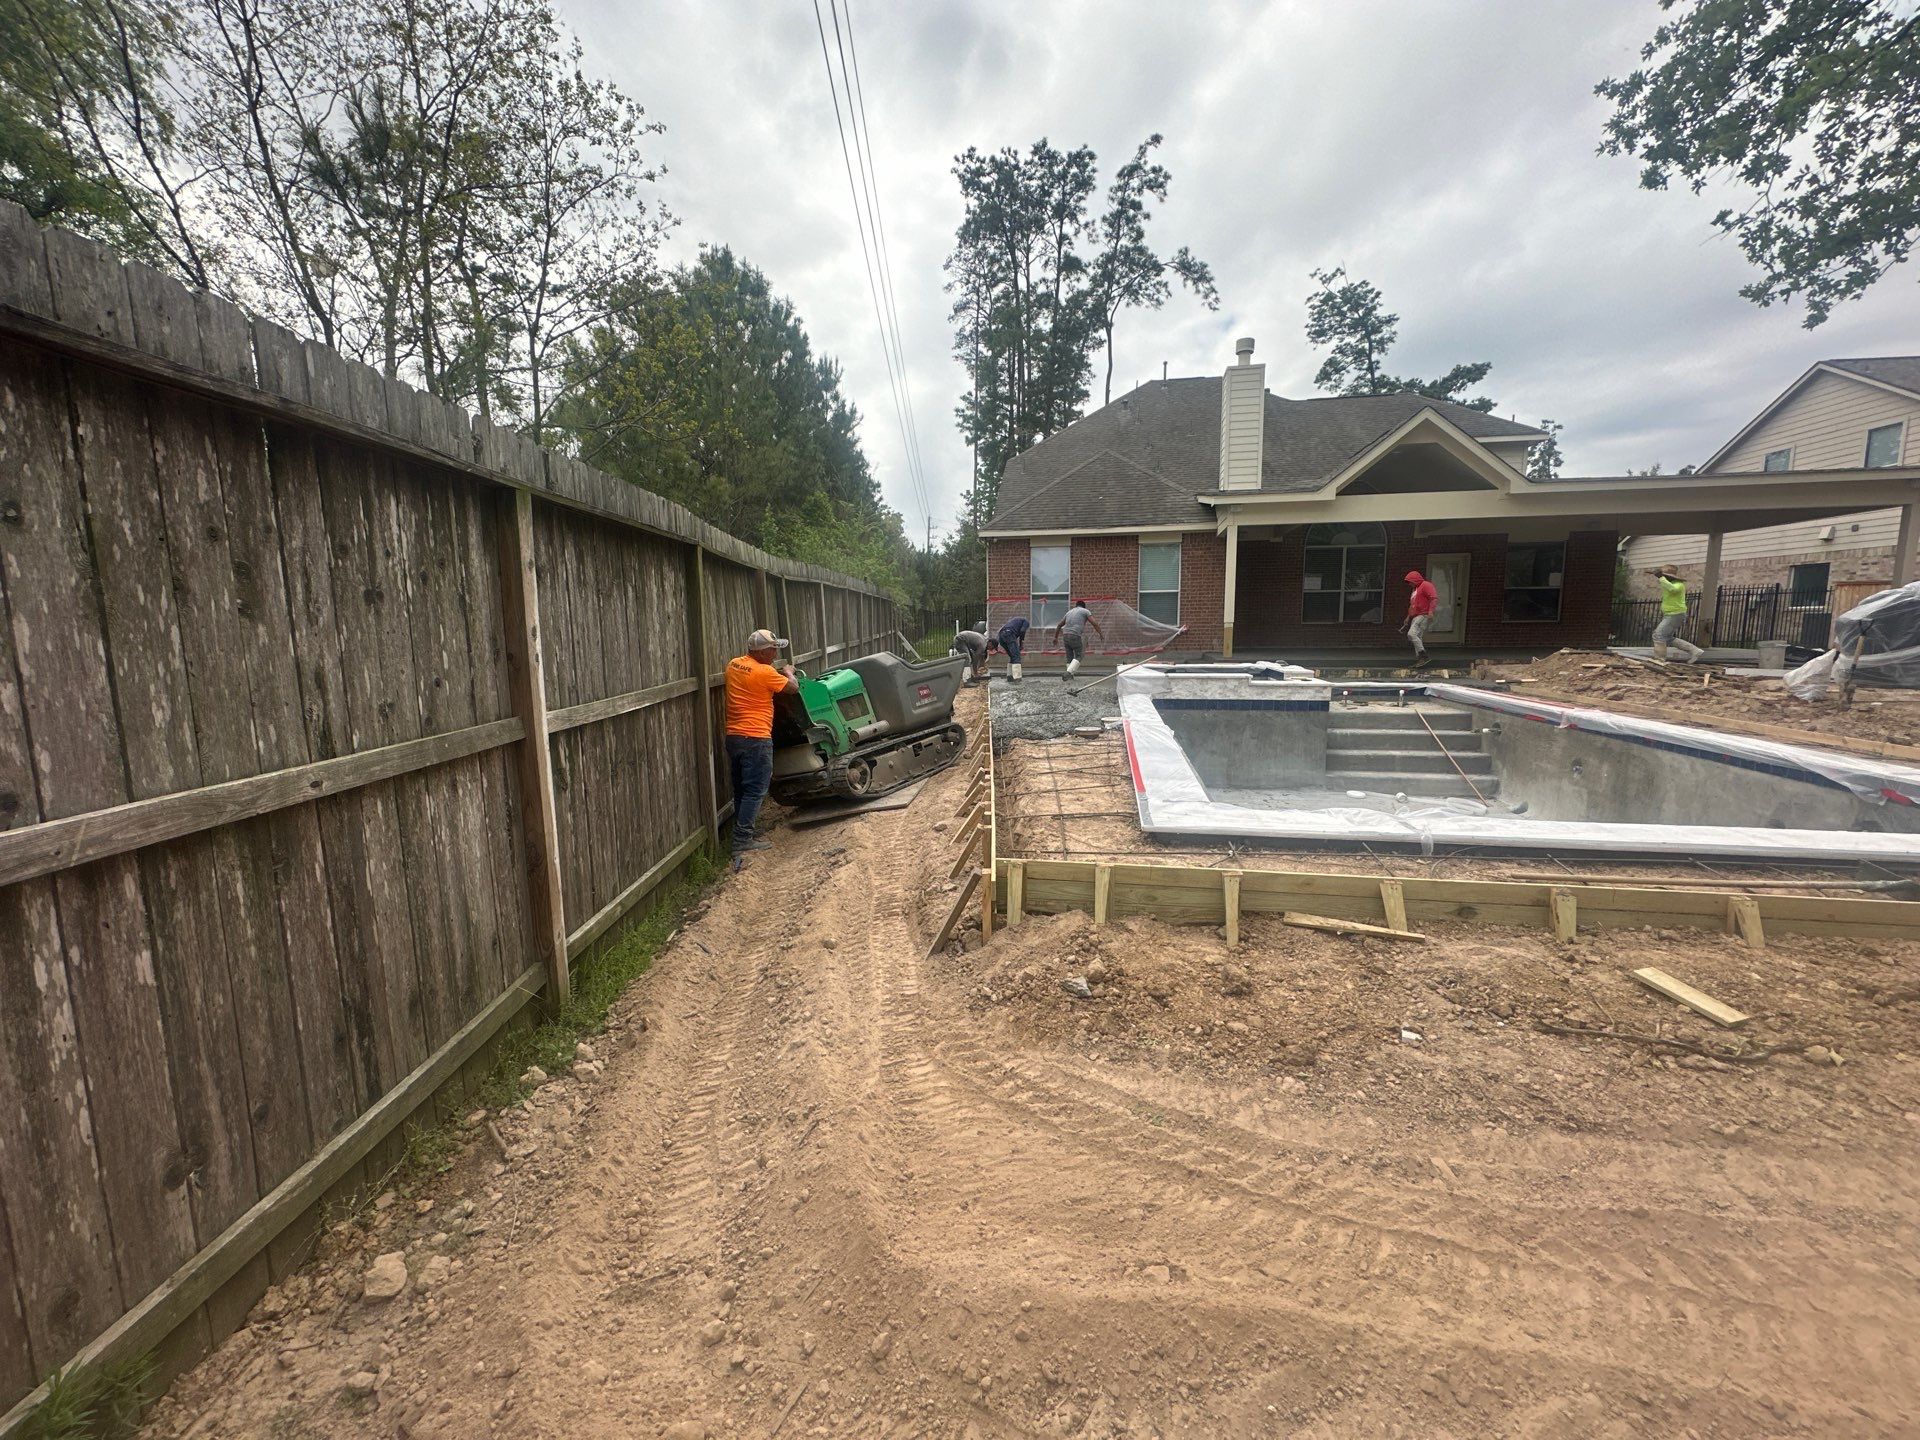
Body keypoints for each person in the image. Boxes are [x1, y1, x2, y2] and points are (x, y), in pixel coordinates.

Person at [723, 628, 798, 853]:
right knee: (756, 789)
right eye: (773, 649)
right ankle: (743, 840)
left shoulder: (734, 665)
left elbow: (751, 675)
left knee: (741, 789)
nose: (775, 654)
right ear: (764, 652)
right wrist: (788, 671)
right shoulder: (766, 673)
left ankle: (743, 832)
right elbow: (792, 689)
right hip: (756, 738)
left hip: (735, 736)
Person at [1650, 564, 1706, 663]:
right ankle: (1695, 651)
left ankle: (1659, 659)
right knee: (1667, 638)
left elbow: (1672, 589)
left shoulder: (1678, 585)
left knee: (1658, 635)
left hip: (1675, 614)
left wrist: (1661, 578)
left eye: (1665, 576)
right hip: (1672, 614)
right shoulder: (1669, 583)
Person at [1053, 599, 1104, 678]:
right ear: (1084, 606)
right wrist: (1100, 634)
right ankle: (1069, 673)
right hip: (1075, 635)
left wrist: (1055, 638)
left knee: (1069, 657)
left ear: (1076, 606)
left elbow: (1059, 625)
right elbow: (1095, 623)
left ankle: (1070, 676)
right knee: (1079, 656)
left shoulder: (1069, 612)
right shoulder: (1085, 611)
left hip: (1065, 635)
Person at [1401, 570, 1438, 669]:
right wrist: (1408, 617)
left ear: (1415, 580)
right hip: (1416, 616)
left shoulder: (1426, 585)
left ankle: (1423, 656)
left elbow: (1433, 598)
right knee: (1417, 637)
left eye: (1410, 582)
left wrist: (1430, 611)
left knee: (1411, 634)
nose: (1409, 584)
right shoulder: (1415, 589)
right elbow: (1412, 605)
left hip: (1423, 615)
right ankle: (1420, 660)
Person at [995, 614, 1030, 682]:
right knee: (1016, 656)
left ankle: (1010, 677)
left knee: (1012, 656)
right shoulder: (1026, 622)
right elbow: (1022, 631)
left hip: (1001, 636)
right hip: (1009, 634)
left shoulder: (1015, 621)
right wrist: (1021, 643)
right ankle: (1017, 678)